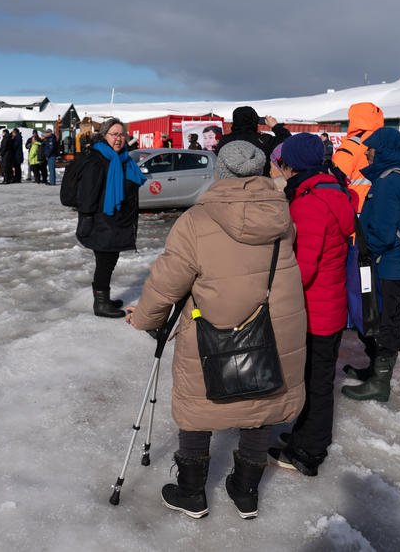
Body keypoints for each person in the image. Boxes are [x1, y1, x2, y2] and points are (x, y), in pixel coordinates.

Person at [126, 140, 306, 519]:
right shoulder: (281, 217)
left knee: (198, 406)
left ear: (220, 173)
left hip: (214, 329)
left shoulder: (196, 220)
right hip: (274, 327)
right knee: (261, 403)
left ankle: (192, 492)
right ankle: (246, 491)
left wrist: (145, 318)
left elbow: (167, 282)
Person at [267, 133, 355, 477]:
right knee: (314, 379)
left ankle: (309, 452)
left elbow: (302, 268)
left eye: (284, 164)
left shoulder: (309, 202)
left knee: (316, 383)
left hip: (314, 310)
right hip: (328, 307)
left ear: (295, 165)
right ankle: (305, 435)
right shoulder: (332, 190)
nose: (282, 170)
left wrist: (273, 291)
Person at [341, 128, 400, 402]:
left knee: (383, 321)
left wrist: (362, 249)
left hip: (386, 265)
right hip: (387, 264)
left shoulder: (388, 182)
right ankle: (374, 371)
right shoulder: (391, 177)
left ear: (383, 150)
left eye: (371, 149)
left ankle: (381, 382)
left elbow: (383, 232)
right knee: (378, 318)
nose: (367, 153)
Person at [75, 118, 145, 318]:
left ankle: (104, 298)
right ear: (104, 136)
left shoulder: (122, 157)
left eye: (122, 134)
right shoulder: (98, 159)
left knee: (110, 261)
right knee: (105, 262)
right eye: (114, 134)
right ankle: (101, 304)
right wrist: (86, 218)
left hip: (117, 220)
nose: (119, 139)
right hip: (103, 221)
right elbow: (88, 193)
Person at [332, 102, 385, 211]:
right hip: (381, 207)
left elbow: (334, 185)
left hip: (356, 208)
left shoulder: (349, 147)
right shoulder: (385, 143)